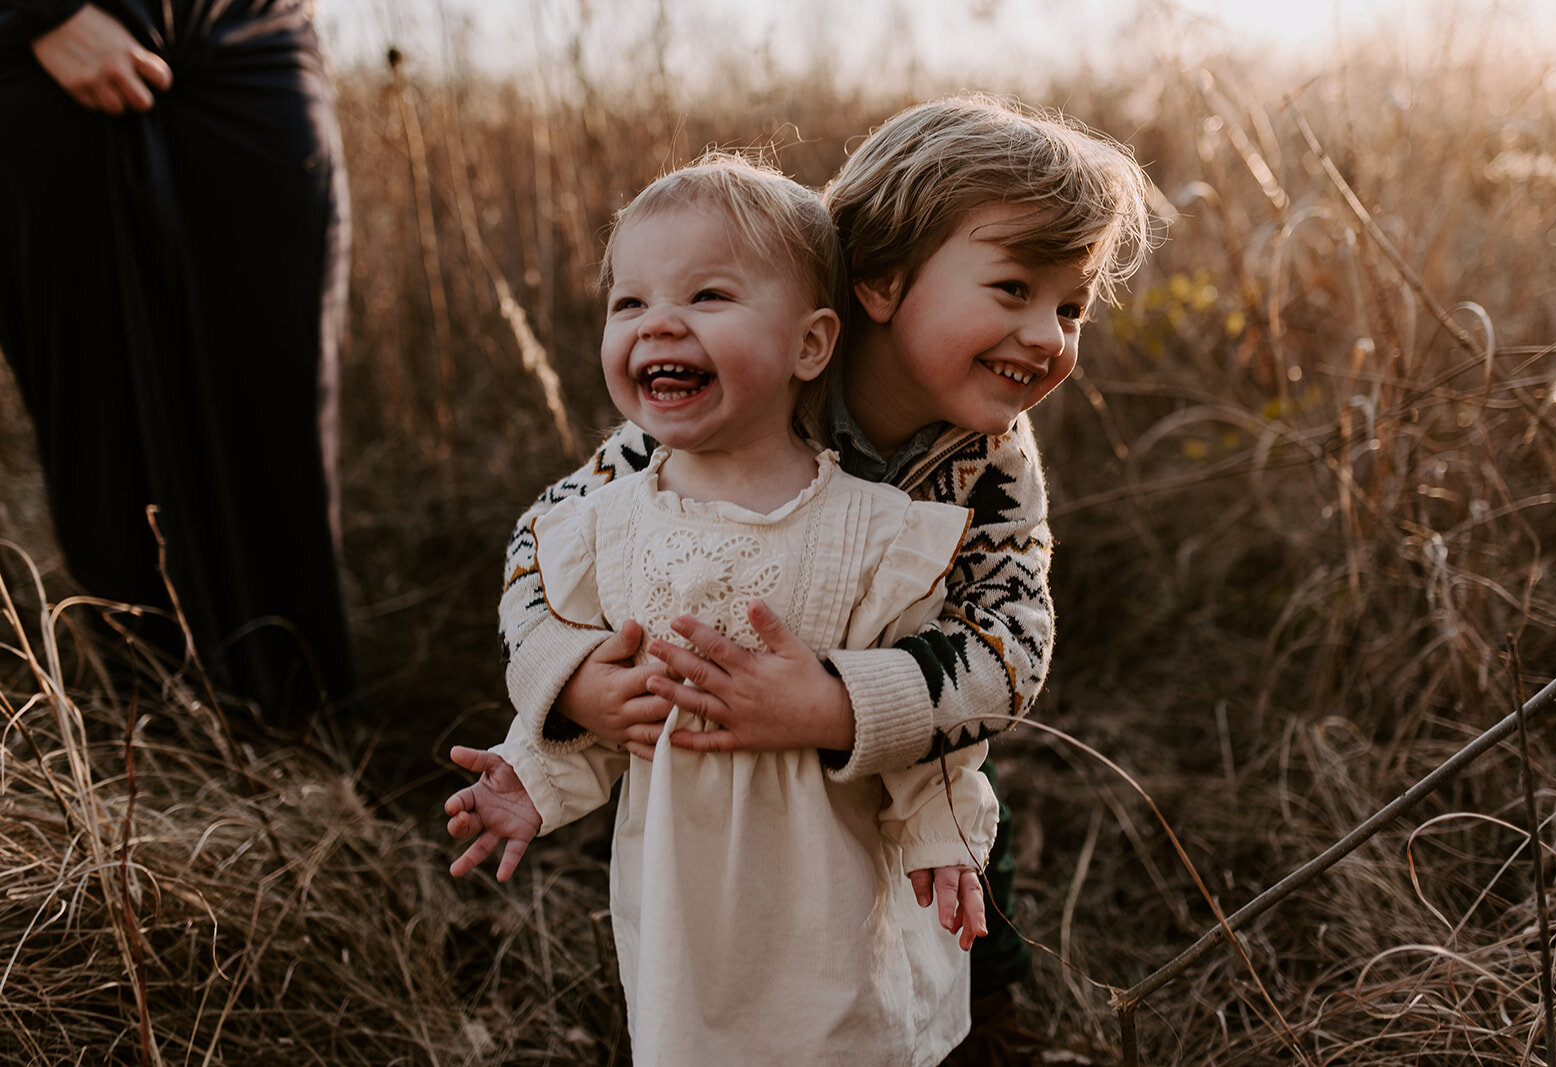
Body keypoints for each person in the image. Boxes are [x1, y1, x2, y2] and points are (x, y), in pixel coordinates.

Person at [492, 93, 1154, 1062]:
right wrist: (576, 676)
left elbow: (1009, 644)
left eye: (1071, 305)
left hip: (888, 712)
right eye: (1014, 289)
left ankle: (981, 1018)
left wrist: (842, 702)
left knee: (961, 798)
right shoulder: (744, 390)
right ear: (880, 285)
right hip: (713, 743)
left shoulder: (991, 456)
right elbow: (541, 554)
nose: (1050, 335)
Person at [446, 155, 1000, 1066]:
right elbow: (611, 713)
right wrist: (530, 771)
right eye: (629, 304)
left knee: (847, 1040)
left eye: (709, 296)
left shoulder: (872, 535)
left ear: (811, 346)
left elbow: (924, 708)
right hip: (685, 917)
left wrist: (942, 828)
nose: (659, 321)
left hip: (833, 893)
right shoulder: (601, 532)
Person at [0, 0, 358, 724]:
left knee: (282, 421)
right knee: (106, 434)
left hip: (256, 37)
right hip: (55, 49)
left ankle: (308, 740)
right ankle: (168, 745)